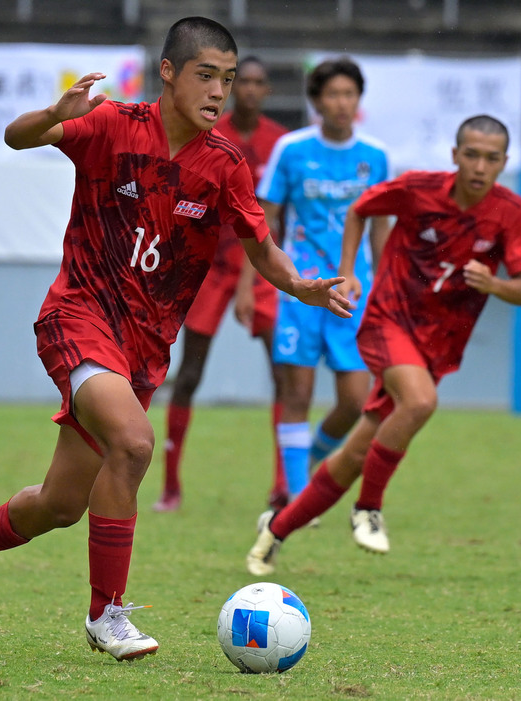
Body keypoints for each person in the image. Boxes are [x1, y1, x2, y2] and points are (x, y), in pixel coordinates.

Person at [0, 17, 353, 663]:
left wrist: (301, 285)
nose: (218, 92)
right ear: (169, 72)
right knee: (134, 440)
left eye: (228, 80)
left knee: (60, 505)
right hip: (78, 315)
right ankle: (105, 614)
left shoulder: (225, 164)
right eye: (207, 75)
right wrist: (50, 115)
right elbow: (14, 138)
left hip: (142, 351)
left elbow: (263, 248)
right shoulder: (112, 124)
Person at [246, 114, 521, 576]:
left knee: (357, 452)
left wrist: (493, 283)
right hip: (389, 319)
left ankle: (275, 530)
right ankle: (369, 508)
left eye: (492, 158)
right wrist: (351, 272)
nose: (481, 166)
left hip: (436, 345)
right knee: (420, 402)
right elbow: (362, 208)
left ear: (504, 162)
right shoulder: (419, 188)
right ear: (455, 156)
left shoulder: (509, 211)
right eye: (472, 155)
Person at [153, 56, 289, 513]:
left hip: (261, 267)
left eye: (256, 82)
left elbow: (274, 215)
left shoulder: (279, 142)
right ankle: (171, 488)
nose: (248, 89)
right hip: (211, 266)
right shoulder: (209, 132)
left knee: (284, 375)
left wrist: (258, 279)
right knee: (189, 375)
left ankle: (282, 487)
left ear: (266, 90)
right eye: (241, 81)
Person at [256, 57, 390, 505]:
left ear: (359, 100)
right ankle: (296, 497)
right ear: (316, 101)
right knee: (297, 393)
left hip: (354, 294)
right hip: (301, 292)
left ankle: (308, 461)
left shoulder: (375, 156)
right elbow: (263, 223)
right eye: (332, 94)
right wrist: (252, 285)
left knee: (355, 401)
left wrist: (386, 287)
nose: (342, 103)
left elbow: (380, 228)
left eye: (349, 94)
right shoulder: (292, 150)